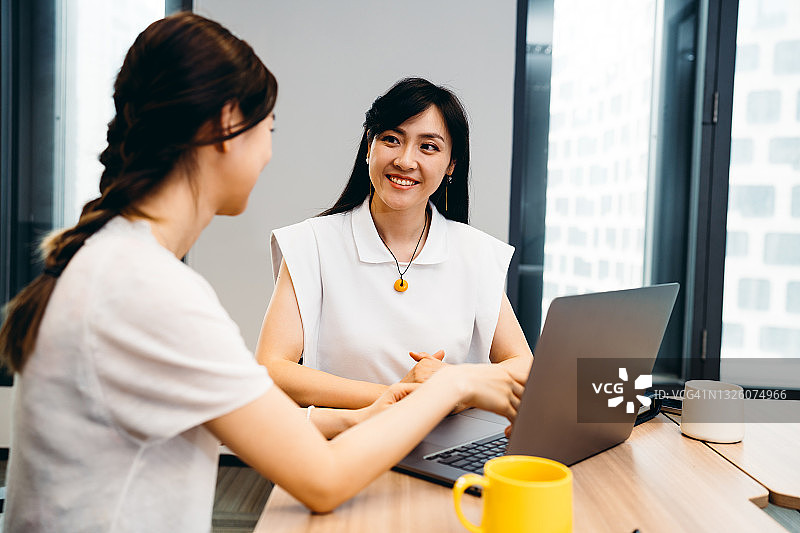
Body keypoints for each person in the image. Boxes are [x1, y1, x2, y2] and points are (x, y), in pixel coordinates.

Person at [0, 14, 525, 532]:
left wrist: (362, 414)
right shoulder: (150, 292)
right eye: (267, 129)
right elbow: (323, 480)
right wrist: (452, 386)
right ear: (225, 128)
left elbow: (247, 412)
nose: (269, 153)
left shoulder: (118, 263)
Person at [257, 78, 534, 410]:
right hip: (349, 436)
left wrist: (454, 382)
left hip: (450, 439)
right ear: (369, 147)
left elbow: (523, 365)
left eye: (428, 147)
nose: (405, 160)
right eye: (391, 139)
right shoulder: (311, 243)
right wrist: (399, 398)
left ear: (451, 165)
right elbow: (272, 368)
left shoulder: (475, 252)